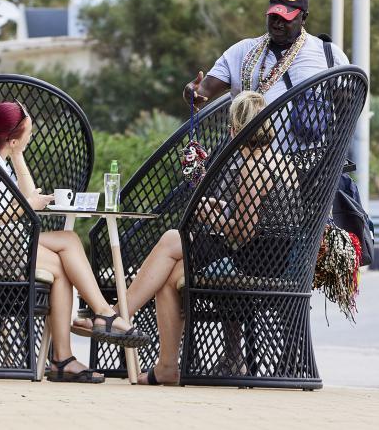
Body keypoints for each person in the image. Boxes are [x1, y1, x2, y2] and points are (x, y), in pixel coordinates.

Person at [73, 91, 297, 385]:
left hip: (253, 262)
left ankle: (115, 316)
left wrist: (210, 216)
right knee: (170, 276)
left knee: (170, 240)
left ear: (235, 129)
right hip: (273, 258)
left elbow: (241, 234)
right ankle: (165, 366)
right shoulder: (278, 161)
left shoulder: (252, 168)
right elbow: (254, 221)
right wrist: (219, 211)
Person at [0, 101, 151, 383]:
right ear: (15, 137)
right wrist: (31, 205)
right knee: (66, 249)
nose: (31, 137)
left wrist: (17, 157)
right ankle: (97, 321)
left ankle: (71, 351)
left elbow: (23, 198)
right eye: (28, 133)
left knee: (67, 246)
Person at [183, 0, 349, 110]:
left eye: (286, 18)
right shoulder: (242, 51)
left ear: (303, 18)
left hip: (309, 154)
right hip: (249, 153)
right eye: (274, 16)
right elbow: (203, 90)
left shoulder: (328, 54)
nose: (278, 23)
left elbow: (347, 109)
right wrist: (192, 92)